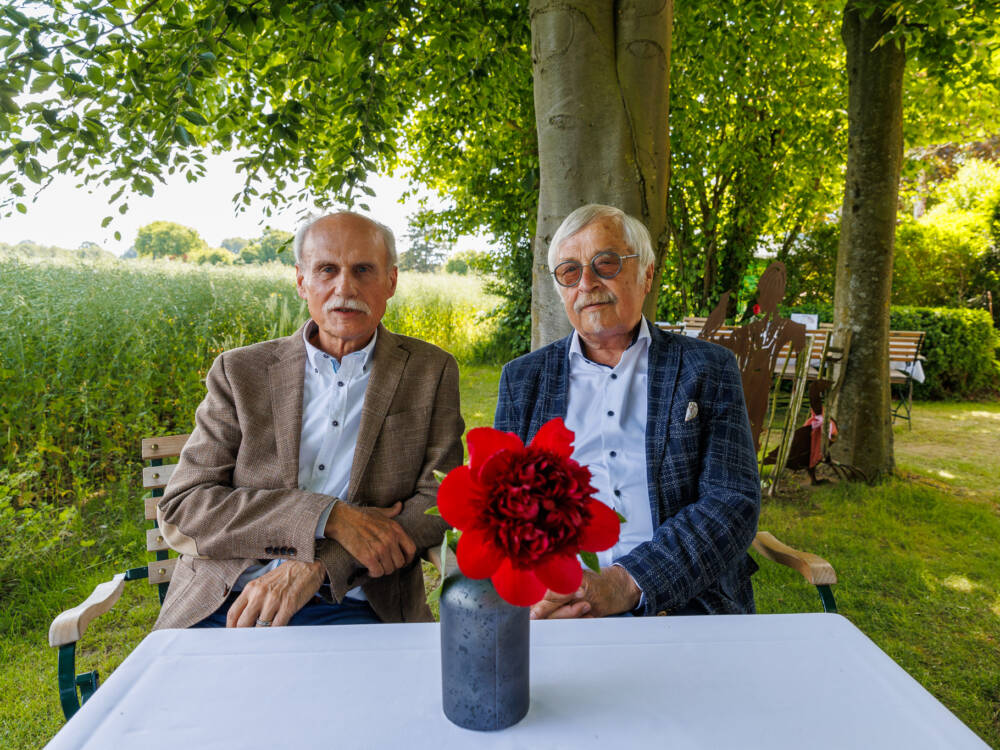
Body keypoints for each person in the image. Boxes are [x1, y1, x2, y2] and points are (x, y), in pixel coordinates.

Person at [155, 211, 464, 629]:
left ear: (390, 281)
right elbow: (184, 505)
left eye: (363, 270)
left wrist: (319, 563)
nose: (345, 288)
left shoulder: (431, 370)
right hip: (227, 602)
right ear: (302, 282)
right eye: (327, 270)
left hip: (358, 603)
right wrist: (327, 516)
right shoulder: (241, 372)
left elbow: (438, 499)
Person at [495, 204, 760, 619]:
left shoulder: (707, 368)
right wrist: (547, 591)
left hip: (686, 603)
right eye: (569, 271)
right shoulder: (522, 380)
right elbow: (506, 505)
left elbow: (732, 500)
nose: (586, 283)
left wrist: (627, 582)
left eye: (606, 263)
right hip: (561, 604)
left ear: (648, 273)